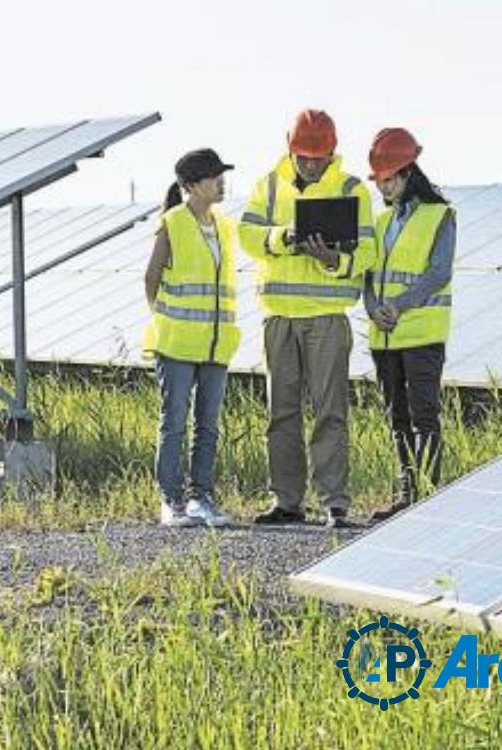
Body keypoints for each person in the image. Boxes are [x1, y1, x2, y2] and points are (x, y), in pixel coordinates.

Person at [239, 109, 377, 527]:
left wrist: (335, 259)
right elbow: (246, 235)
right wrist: (283, 238)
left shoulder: (353, 189)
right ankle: (287, 502)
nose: (312, 164)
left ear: (332, 152)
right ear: (290, 149)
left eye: (319, 157)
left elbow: (368, 252)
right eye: (304, 156)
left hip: (327, 319)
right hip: (278, 317)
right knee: (281, 413)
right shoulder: (267, 186)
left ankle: (334, 502)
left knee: (330, 412)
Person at [143, 148, 240, 528]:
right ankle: (171, 501)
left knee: (209, 424)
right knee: (175, 423)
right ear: (190, 186)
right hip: (177, 344)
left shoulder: (225, 226)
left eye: (221, 174)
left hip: (216, 344)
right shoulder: (173, 223)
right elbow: (151, 279)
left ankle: (202, 498)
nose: (221, 181)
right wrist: (164, 318)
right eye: (213, 176)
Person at [363, 128, 455, 523]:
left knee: (424, 416)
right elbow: (367, 275)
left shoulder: (440, 216)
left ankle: (427, 495)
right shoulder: (381, 223)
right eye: (379, 180)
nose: (382, 187)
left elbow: (438, 273)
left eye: (388, 179)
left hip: (421, 335)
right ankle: (405, 492)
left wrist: (398, 305)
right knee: (396, 416)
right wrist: (373, 309)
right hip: (384, 337)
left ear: (407, 173)